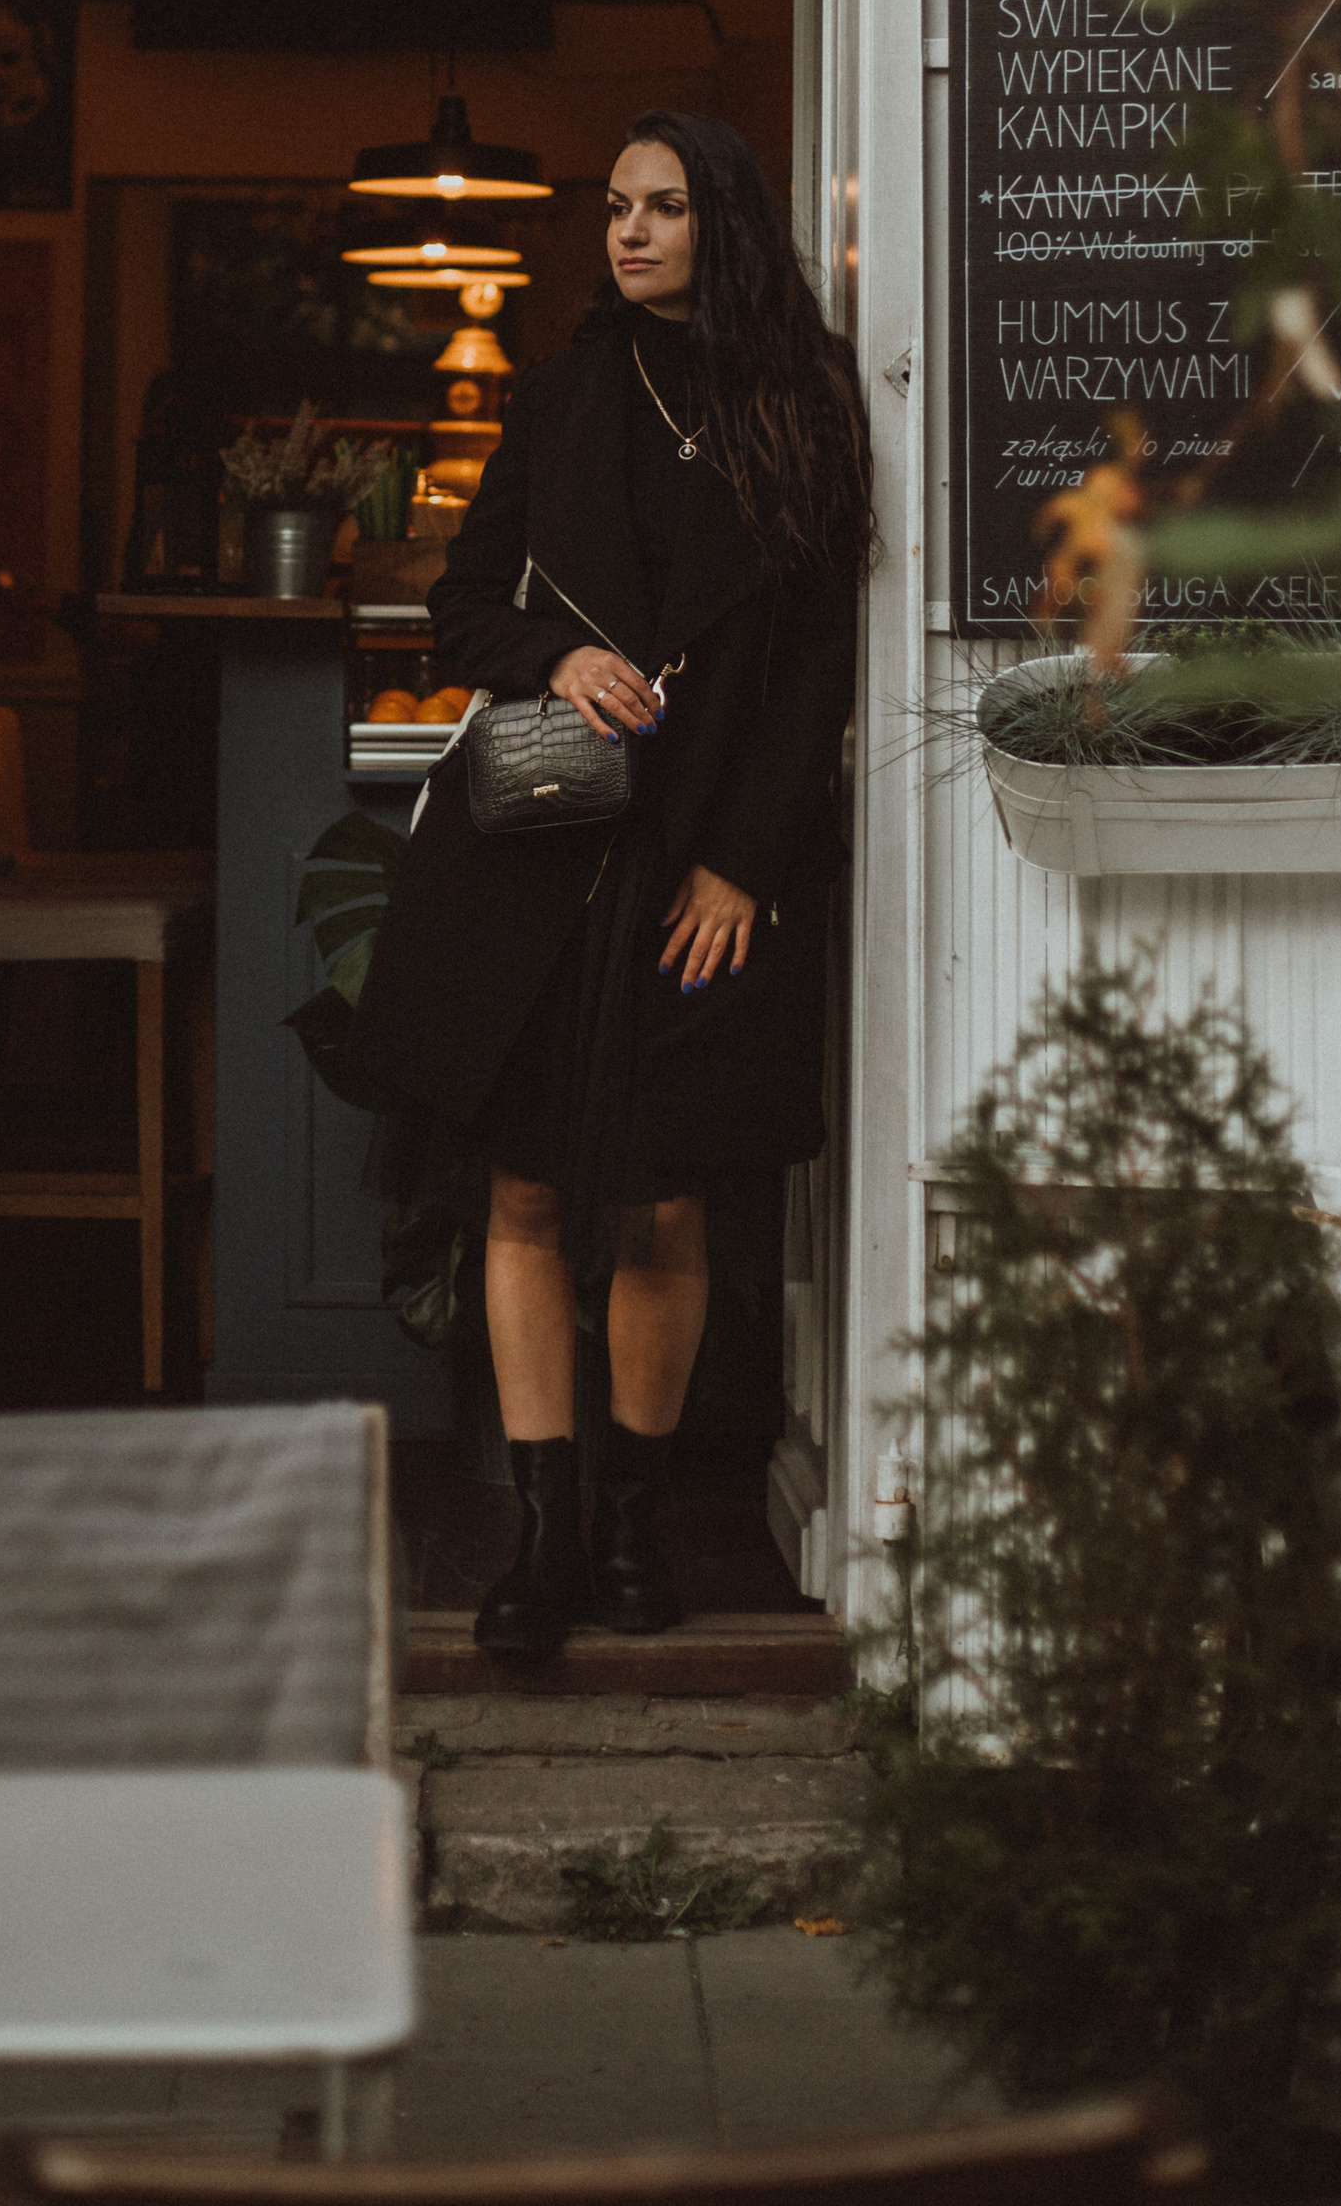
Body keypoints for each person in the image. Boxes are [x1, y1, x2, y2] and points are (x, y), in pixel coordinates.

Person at [346, 108, 871, 1656]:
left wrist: (741, 866)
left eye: (663, 207)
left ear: (726, 222)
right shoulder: (568, 392)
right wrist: (554, 655)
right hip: (545, 864)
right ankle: (545, 1535)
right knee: (520, 1193)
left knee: (661, 1203)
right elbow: (461, 605)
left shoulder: (808, 402)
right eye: (618, 207)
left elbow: (820, 661)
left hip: (707, 863)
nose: (628, 231)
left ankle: (636, 1528)